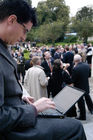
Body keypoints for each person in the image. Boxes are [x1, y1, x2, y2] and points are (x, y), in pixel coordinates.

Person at [0, 0, 86, 140]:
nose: (24, 38)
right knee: (75, 127)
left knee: (59, 117)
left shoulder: (3, 47)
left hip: (18, 115)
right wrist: (33, 109)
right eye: (25, 30)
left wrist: (19, 98)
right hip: (11, 131)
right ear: (12, 20)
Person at [72, 54, 93, 120]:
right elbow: (89, 75)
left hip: (78, 87)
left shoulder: (75, 68)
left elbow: (73, 80)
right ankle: (91, 109)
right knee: (87, 97)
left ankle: (82, 116)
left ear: (74, 60)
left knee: (81, 102)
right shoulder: (87, 65)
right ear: (80, 59)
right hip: (85, 85)